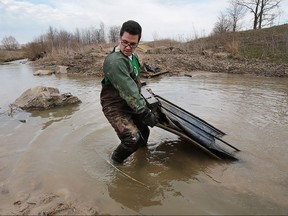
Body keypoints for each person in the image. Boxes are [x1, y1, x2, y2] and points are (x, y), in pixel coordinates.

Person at [100, 20, 158, 164]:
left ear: (138, 43)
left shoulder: (134, 57)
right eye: (124, 42)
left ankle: (142, 160)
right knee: (132, 140)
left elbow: (135, 81)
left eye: (132, 44)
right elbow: (127, 89)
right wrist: (144, 112)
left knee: (144, 131)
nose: (127, 47)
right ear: (119, 38)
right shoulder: (115, 61)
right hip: (115, 107)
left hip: (131, 102)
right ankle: (115, 164)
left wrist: (144, 92)